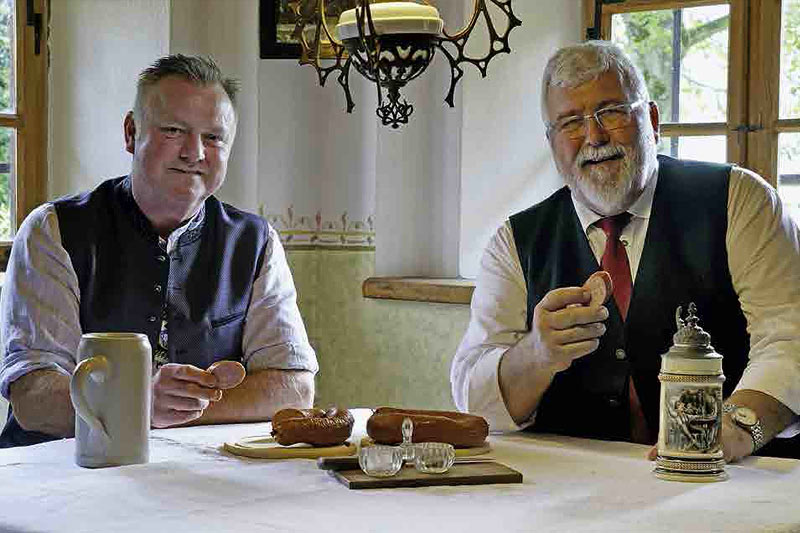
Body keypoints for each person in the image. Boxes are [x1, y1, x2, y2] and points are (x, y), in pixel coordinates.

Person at [451, 40, 800, 462]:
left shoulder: (739, 200)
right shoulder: (514, 242)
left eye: (611, 112)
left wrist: (736, 429)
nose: (594, 137)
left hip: (735, 479)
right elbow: (474, 397)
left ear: (651, 120)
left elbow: (789, 336)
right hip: (577, 488)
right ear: (551, 142)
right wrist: (537, 354)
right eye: (571, 122)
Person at [0, 54, 318, 447]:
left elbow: (294, 389)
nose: (195, 153)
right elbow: (33, 397)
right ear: (131, 133)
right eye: (173, 130)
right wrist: (137, 405)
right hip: (55, 474)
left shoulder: (255, 242)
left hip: (190, 478)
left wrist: (171, 410)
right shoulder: (53, 231)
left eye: (214, 138)